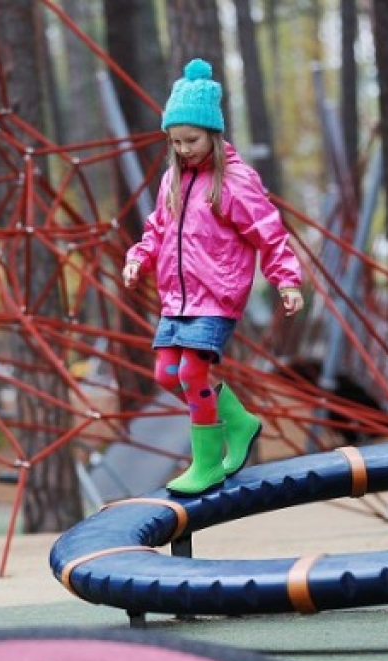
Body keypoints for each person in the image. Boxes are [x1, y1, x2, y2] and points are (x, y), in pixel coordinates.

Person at [123, 58, 304, 496]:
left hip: (216, 295)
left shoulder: (235, 180)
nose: (183, 149)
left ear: (213, 134)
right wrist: (138, 257)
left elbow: (268, 231)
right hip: (176, 297)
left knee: (190, 373)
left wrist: (286, 279)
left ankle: (205, 463)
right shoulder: (174, 179)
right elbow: (157, 229)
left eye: (191, 140)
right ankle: (239, 424)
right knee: (167, 373)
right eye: (175, 141)